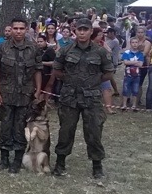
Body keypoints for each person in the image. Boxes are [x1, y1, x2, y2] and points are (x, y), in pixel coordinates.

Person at [46, 18, 114, 179]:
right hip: (70, 97)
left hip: (92, 98)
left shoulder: (100, 52)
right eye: (79, 30)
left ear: (91, 31)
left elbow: (109, 73)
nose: (82, 32)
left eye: (85, 30)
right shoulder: (65, 50)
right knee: (66, 130)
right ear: (75, 31)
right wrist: (70, 80)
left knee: (94, 131)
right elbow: (57, 70)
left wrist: (93, 82)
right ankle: (60, 162)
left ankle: (97, 165)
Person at [0, 18, 42, 173]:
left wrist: (38, 90)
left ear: (26, 30)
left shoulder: (33, 48)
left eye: (21, 28)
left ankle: (17, 160)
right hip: (5, 95)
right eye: (15, 28)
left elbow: (38, 70)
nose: (18, 31)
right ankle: (4, 160)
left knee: (20, 128)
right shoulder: (1, 48)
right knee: (5, 127)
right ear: (10, 29)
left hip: (25, 95)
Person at [120, 38, 144, 111]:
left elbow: (141, 64)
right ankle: (124, 105)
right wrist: (136, 62)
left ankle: (134, 105)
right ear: (130, 43)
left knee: (135, 90)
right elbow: (126, 62)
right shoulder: (126, 53)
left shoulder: (140, 54)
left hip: (137, 75)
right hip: (128, 75)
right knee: (126, 89)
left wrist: (131, 62)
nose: (135, 44)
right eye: (133, 42)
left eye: (136, 42)